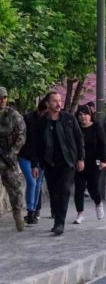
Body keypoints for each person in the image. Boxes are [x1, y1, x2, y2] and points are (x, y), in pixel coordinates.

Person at [31, 92, 85, 236]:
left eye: (59, 100)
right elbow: (35, 145)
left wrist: (81, 158)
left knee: (64, 190)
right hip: (50, 163)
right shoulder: (42, 123)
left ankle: (59, 223)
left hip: (68, 162)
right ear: (48, 104)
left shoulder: (69, 119)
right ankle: (57, 218)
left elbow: (79, 139)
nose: (58, 103)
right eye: (54, 101)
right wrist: (34, 165)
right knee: (54, 193)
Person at [72, 105, 106, 224]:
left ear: (90, 115)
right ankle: (80, 213)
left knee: (93, 188)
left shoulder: (97, 127)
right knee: (79, 189)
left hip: (94, 163)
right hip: (79, 163)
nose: (83, 117)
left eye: (85, 114)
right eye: (80, 115)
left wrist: (103, 160)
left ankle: (98, 203)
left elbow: (103, 144)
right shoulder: (76, 128)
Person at [0, 86, 27, 231]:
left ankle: (18, 217)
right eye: (0, 98)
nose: (2, 101)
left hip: (8, 158)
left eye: (4, 98)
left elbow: (22, 135)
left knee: (15, 189)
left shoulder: (14, 115)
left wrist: (13, 152)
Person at [20, 98, 47, 225]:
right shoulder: (27, 119)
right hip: (26, 155)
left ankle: (35, 209)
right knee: (32, 181)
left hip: (41, 157)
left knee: (38, 184)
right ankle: (30, 210)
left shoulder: (49, 121)